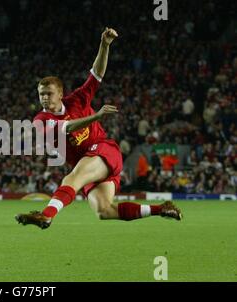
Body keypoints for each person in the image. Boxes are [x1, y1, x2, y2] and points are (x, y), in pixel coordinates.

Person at [15, 28, 182, 229]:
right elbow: (67, 128)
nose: (44, 98)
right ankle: (161, 209)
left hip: (103, 150)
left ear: (60, 94)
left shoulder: (77, 99)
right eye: (41, 94)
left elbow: (97, 74)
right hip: (89, 166)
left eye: (48, 93)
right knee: (104, 211)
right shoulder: (40, 120)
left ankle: (46, 215)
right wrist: (96, 116)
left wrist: (104, 45)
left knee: (72, 178)